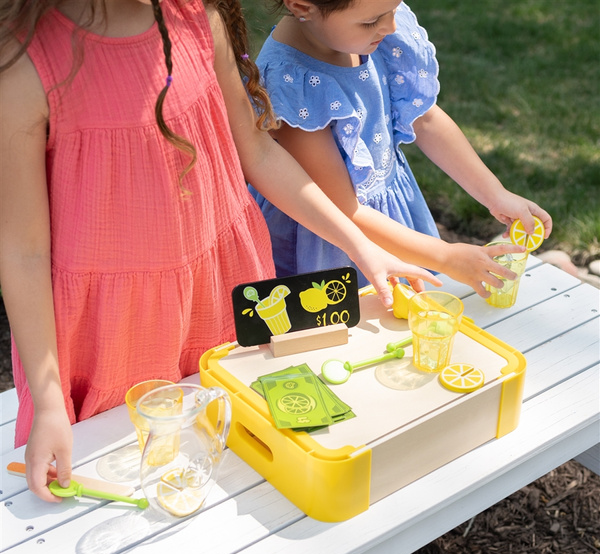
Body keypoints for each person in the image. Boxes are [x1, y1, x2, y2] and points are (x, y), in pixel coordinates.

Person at [0, 0, 442, 502]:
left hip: (220, 289)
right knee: (132, 474)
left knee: (238, 463)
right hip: (114, 326)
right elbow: (22, 251)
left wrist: (360, 246)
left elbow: (259, 152)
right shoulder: (21, 66)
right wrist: (49, 402)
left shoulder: (194, 14)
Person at [250, 0, 553, 291]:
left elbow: (425, 120)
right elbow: (343, 210)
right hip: (331, 244)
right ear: (302, 7)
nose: (391, 26)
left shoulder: (373, 31)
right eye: (371, 21)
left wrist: (495, 194)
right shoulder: (291, 84)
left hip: (390, 220)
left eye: (394, 9)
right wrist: (445, 257)